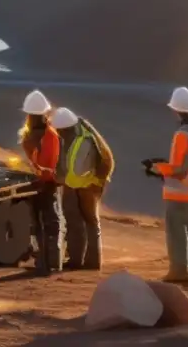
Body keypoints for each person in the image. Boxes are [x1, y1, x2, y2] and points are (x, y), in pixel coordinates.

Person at [147, 87, 188, 287]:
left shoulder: (183, 134)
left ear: (176, 110)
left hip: (179, 190)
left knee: (176, 231)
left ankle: (179, 271)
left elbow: (180, 169)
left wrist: (157, 168)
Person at [51, 107, 114, 272]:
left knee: (91, 222)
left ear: (65, 129)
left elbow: (78, 170)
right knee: (74, 221)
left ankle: (92, 262)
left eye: (59, 130)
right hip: (75, 185)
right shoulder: (71, 138)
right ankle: (75, 260)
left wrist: (61, 178)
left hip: (88, 187)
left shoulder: (83, 141)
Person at [20, 89, 64, 275]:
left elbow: (40, 162)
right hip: (47, 183)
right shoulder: (50, 135)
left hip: (40, 183)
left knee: (40, 223)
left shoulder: (32, 135)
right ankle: (49, 262)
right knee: (50, 222)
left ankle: (45, 261)